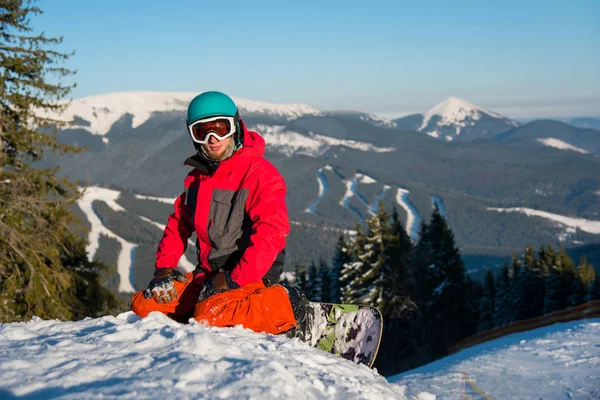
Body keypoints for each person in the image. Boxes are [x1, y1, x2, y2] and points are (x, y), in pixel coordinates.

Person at [130, 91, 305, 335]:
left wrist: (234, 279)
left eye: (220, 128)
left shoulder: (259, 174)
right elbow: (178, 224)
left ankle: (286, 305)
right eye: (202, 132)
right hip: (210, 275)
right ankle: (218, 303)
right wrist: (164, 270)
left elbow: (272, 232)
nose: (213, 139)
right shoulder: (197, 178)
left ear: (235, 126)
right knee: (145, 304)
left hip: (249, 273)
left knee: (208, 316)